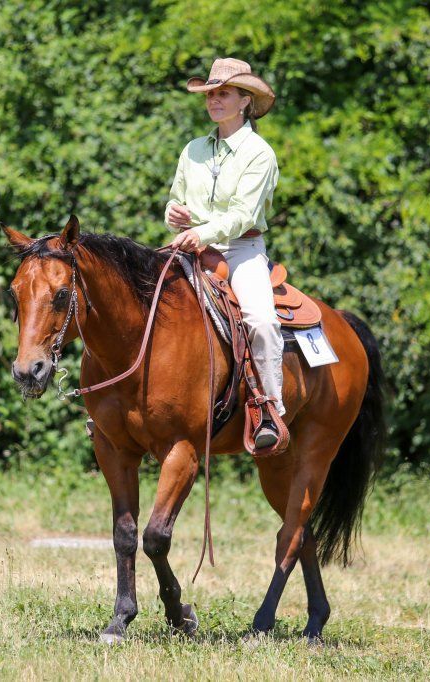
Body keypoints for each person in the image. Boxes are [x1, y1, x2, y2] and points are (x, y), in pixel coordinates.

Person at [165, 57, 284, 449]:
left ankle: (269, 409)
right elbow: (175, 203)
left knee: (262, 321)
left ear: (245, 100)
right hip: (188, 244)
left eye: (224, 93)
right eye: (210, 94)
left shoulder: (259, 153)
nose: (214, 100)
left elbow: (242, 215)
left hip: (241, 251)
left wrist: (199, 231)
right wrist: (173, 214)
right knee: (136, 297)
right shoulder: (193, 149)